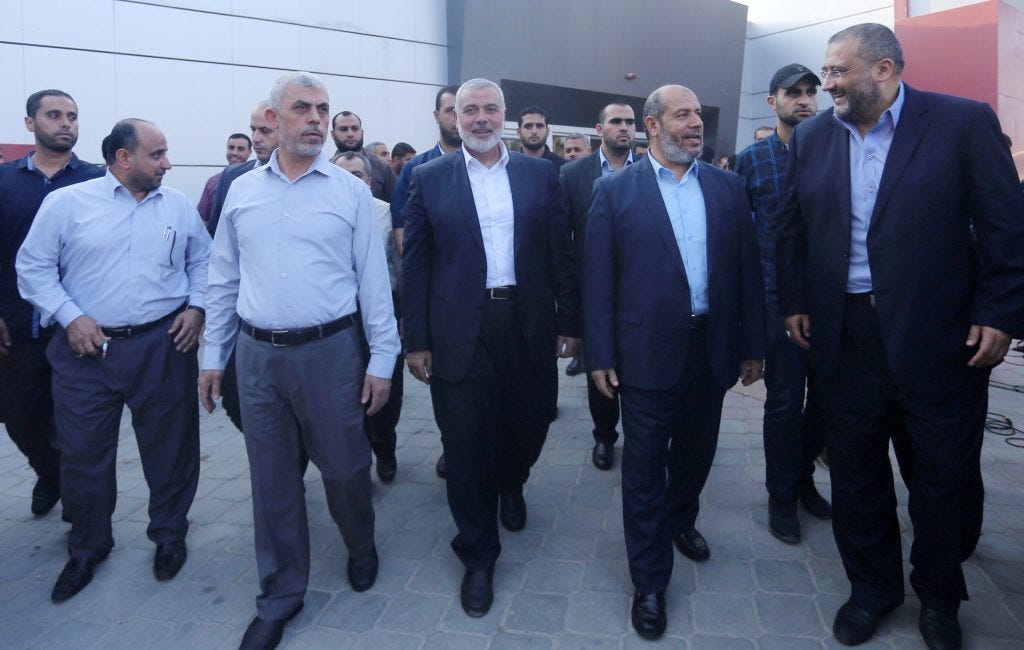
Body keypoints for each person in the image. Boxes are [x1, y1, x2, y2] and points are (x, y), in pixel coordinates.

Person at [776, 23, 1024, 649]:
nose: (826, 84)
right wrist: (797, 302)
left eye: (838, 72)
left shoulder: (962, 123)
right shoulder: (810, 138)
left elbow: (1006, 229)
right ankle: (873, 591)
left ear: (884, 70)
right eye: (825, 73)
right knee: (856, 475)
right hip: (844, 337)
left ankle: (940, 600)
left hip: (940, 339)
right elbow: (794, 231)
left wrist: (999, 314)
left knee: (943, 479)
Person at [198, 72, 400, 650]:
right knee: (272, 480)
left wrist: (380, 359)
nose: (316, 118)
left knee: (343, 470)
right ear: (274, 118)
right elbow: (222, 277)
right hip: (257, 357)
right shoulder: (241, 190)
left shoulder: (349, 192)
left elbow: (373, 284)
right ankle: (281, 593)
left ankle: (360, 544)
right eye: (302, 108)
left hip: (331, 353)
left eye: (323, 109)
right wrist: (214, 356)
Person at [584, 84, 765, 640]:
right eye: (682, 114)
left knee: (696, 452)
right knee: (642, 468)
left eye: (698, 115)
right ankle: (650, 580)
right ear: (653, 125)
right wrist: (602, 354)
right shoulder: (614, 191)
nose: (695, 123)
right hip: (643, 354)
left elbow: (747, 272)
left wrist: (754, 344)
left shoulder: (729, 187)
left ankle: (682, 518)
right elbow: (598, 281)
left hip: (712, 348)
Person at [402, 78, 578, 618]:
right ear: (452, 117)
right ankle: (478, 553)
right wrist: (417, 340)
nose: (479, 118)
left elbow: (559, 252)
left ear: (504, 116)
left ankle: (511, 482)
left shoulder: (538, 173)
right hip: (459, 330)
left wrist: (569, 322)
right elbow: (416, 265)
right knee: (466, 441)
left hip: (526, 324)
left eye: (489, 109)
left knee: (530, 423)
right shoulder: (428, 178)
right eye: (468, 109)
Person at [17, 118, 211, 602]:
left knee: (171, 448)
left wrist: (198, 307)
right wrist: (69, 317)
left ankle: (169, 534)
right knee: (83, 454)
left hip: (164, 345)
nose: (168, 164)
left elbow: (205, 263)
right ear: (123, 158)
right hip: (86, 348)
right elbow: (33, 267)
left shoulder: (180, 206)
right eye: (157, 154)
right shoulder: (67, 204)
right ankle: (87, 547)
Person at [733, 64, 831, 545]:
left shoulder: (836, 151)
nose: (805, 100)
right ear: (772, 102)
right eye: (794, 92)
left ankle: (804, 478)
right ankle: (780, 495)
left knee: (827, 405)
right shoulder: (753, 159)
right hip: (777, 303)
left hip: (834, 304)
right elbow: (740, 239)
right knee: (786, 402)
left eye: (812, 92)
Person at [0, 89, 104, 518]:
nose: (66, 123)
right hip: (18, 324)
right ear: (30, 124)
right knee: (18, 415)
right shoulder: (6, 181)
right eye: (54, 115)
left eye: (73, 116)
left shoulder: (97, 181)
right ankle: (50, 471)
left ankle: (82, 519)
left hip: (79, 325)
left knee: (79, 424)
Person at [388, 84, 462, 480]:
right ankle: (453, 446)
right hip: (440, 301)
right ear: (437, 116)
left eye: (460, 109)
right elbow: (405, 242)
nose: (456, 117)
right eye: (449, 110)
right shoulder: (418, 170)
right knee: (448, 389)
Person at [559, 101, 637, 470]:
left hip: (643, 295)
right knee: (599, 371)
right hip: (594, 294)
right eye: (616, 121)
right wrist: (570, 315)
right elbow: (564, 245)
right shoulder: (574, 175)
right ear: (599, 128)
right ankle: (604, 436)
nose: (624, 127)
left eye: (630, 122)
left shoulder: (653, 169)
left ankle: (642, 437)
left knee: (640, 370)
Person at [204, 100, 281, 433]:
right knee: (239, 405)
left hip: (309, 330)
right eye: (253, 130)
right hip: (246, 326)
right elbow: (222, 256)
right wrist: (213, 351)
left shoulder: (334, 184)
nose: (256, 139)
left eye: (264, 130)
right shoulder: (233, 179)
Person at [334, 151, 404, 483]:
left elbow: (401, 269)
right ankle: (357, 459)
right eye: (342, 175)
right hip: (340, 318)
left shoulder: (387, 214)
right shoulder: (322, 213)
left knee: (386, 393)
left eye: (357, 175)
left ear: (369, 181)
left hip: (384, 310)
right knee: (347, 396)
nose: (350, 182)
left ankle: (384, 447)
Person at [330, 111, 395, 201]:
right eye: (344, 129)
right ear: (333, 134)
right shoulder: (326, 169)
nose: (350, 134)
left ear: (362, 132)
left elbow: (394, 207)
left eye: (355, 128)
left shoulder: (382, 167)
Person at [196, 133, 252, 223]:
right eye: (231, 148)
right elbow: (203, 220)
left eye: (240, 149)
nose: (234, 153)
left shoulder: (255, 181)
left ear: (249, 152)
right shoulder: (213, 182)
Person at [516, 105, 566, 171]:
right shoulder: (509, 166)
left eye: (539, 126)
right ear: (519, 132)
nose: (534, 131)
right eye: (528, 126)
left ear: (547, 131)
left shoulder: (563, 167)